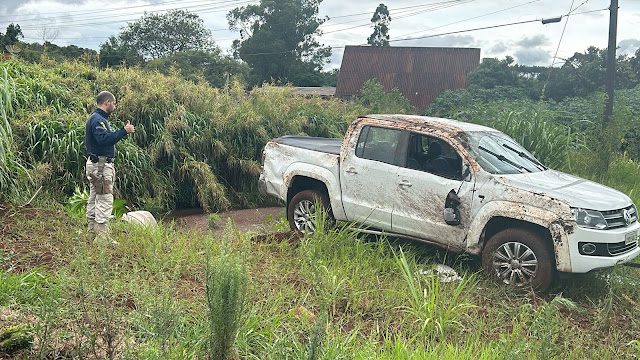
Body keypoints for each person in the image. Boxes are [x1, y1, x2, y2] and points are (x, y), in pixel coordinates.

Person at [85, 91, 134, 239]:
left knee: (94, 197)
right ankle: (102, 238)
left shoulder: (97, 118)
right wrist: (123, 131)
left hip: (96, 164)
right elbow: (104, 140)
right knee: (105, 199)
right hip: (100, 166)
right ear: (107, 102)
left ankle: (92, 232)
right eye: (114, 103)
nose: (115, 105)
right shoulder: (98, 120)